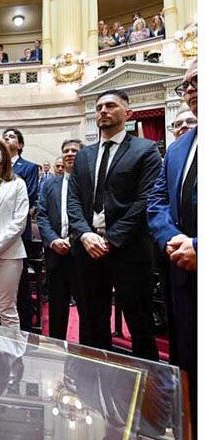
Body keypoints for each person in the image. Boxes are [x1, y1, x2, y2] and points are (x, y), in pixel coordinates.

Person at [67, 89, 162, 361]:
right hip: (88, 248)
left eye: (110, 106)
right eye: (98, 107)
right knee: (91, 322)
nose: (103, 111)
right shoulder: (85, 155)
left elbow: (145, 200)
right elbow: (73, 198)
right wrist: (85, 234)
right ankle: (93, 385)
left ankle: (149, 392)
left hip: (129, 250)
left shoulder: (145, 150)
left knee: (139, 323)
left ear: (128, 113)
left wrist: (112, 239)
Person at [147, 59, 197, 425]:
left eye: (197, 81)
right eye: (185, 85)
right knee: (187, 359)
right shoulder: (178, 149)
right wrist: (176, 239)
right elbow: (158, 201)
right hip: (180, 267)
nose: (190, 90)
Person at [37, 139, 83, 340]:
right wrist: (54, 240)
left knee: (87, 309)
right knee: (57, 308)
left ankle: (86, 356)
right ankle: (57, 350)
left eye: (75, 150)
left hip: (81, 253)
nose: (70, 153)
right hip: (55, 253)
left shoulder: (88, 183)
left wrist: (73, 241)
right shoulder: (49, 184)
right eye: (66, 150)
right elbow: (42, 215)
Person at [0, 138, 29, 329]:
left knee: (6, 308)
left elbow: (19, 222)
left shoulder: (17, 183)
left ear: (3, 157)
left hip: (9, 253)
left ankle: (13, 356)